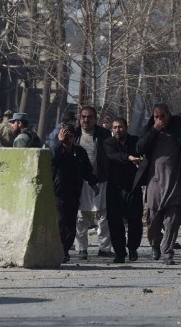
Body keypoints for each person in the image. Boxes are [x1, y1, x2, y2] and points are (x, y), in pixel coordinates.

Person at [133, 102, 181, 265]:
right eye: (156, 117)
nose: (159, 120)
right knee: (153, 219)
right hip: (155, 181)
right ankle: (155, 244)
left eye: (162, 117)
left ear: (169, 116)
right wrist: (155, 130)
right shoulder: (150, 129)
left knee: (172, 221)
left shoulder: (179, 128)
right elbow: (138, 148)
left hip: (175, 182)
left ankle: (168, 252)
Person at [51, 123, 97, 263]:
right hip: (58, 193)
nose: (68, 139)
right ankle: (57, 250)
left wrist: (93, 183)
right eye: (65, 135)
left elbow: (87, 170)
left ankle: (64, 251)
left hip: (74, 193)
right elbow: (53, 159)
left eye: (70, 136)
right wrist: (59, 142)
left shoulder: (79, 152)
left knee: (71, 224)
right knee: (60, 222)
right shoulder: (56, 149)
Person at [74, 105, 112, 259]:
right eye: (83, 117)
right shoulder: (74, 134)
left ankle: (104, 248)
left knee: (104, 216)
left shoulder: (104, 134)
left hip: (101, 179)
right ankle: (82, 249)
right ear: (79, 118)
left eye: (90, 117)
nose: (86, 120)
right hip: (81, 181)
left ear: (95, 119)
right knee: (81, 216)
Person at [103, 117, 142, 263]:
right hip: (115, 187)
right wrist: (129, 158)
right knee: (114, 222)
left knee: (135, 221)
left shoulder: (135, 141)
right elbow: (112, 156)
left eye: (120, 127)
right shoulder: (109, 143)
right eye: (115, 127)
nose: (117, 130)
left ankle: (132, 249)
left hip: (133, 187)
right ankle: (120, 252)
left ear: (126, 127)